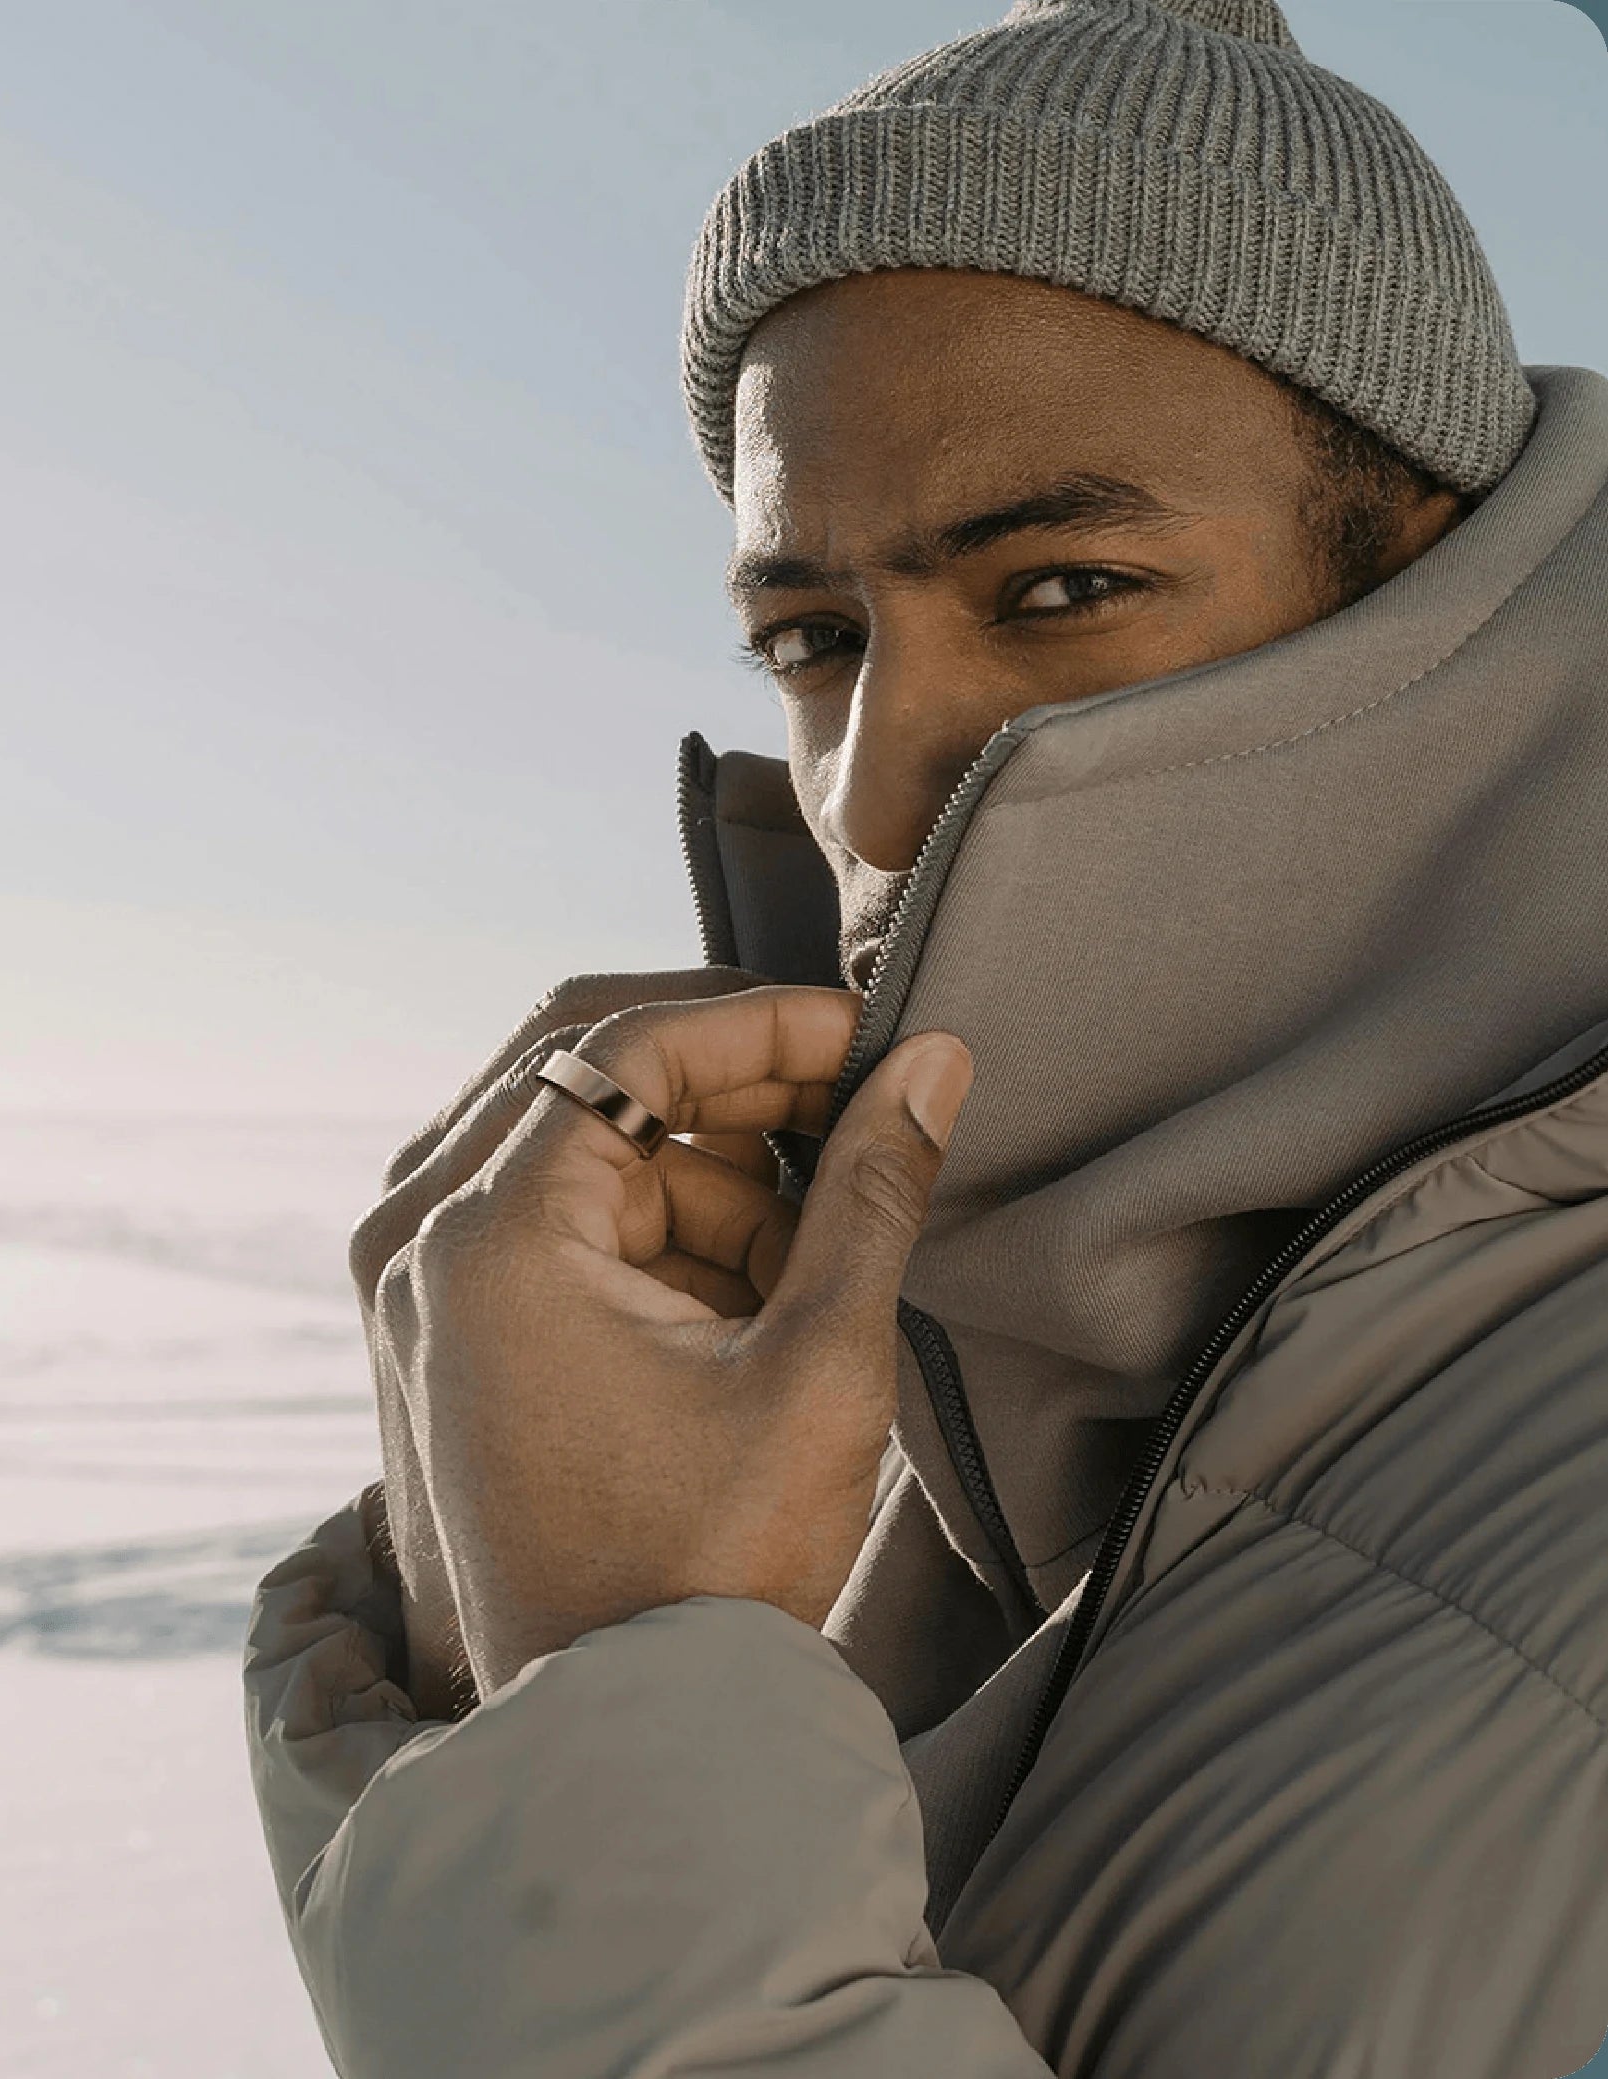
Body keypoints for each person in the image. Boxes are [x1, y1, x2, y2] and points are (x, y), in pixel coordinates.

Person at [241, 1, 1608, 2072]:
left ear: (1430, 576)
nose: (872, 797)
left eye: (1059, 584)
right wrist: (488, 1632)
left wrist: (622, 1693)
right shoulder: (891, 1373)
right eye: (811, 639)